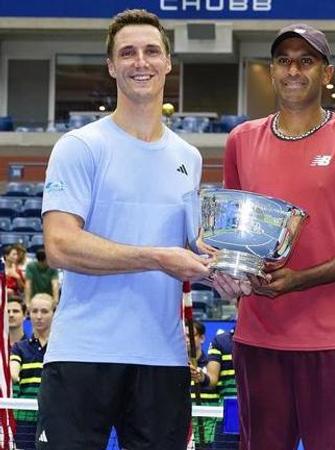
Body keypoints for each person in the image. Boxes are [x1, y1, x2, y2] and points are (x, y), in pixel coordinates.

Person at [37, 9, 212, 449]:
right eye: (127, 53)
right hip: (82, 353)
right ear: (112, 66)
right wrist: (155, 256)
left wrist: (223, 269)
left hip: (161, 358)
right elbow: (59, 245)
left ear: (168, 62)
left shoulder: (188, 158)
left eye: (152, 51)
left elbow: (193, 246)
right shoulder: (79, 147)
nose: (141, 62)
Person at [220, 23, 335, 450]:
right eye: (284, 61)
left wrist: (300, 279)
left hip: (333, 340)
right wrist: (228, 273)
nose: (293, 70)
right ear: (272, 70)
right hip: (258, 336)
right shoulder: (241, 140)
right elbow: (231, 235)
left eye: (306, 61)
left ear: (327, 73)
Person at [10, 293, 55, 450]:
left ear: (54, 313)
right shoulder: (19, 348)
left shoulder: (60, 349)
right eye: (34, 311)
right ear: (29, 314)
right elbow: (14, 374)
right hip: (24, 420)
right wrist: (12, 374)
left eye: (44, 311)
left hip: (53, 418)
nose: (39, 316)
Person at [186, 321, 218, 450]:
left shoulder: (213, 365)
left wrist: (202, 377)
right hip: (184, 433)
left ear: (202, 338)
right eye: (184, 337)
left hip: (209, 432)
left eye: (191, 336)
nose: (187, 340)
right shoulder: (176, 367)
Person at [207, 323, 238, 450]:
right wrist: (202, 377)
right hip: (232, 408)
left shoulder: (267, 339)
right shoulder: (221, 341)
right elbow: (211, 380)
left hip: (261, 410)